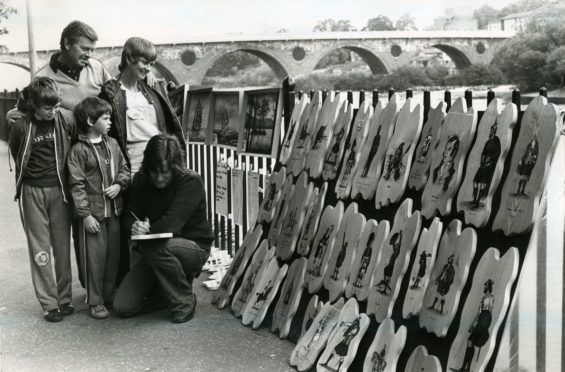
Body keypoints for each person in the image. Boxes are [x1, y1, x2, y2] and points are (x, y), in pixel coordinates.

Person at [7, 21, 113, 289]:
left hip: (99, 155)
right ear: (66, 43)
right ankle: (86, 288)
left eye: (92, 49)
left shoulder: (97, 68)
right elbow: (26, 113)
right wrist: (12, 117)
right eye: (84, 48)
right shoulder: (43, 76)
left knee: (102, 221)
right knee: (80, 222)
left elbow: (115, 97)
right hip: (67, 162)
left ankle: (99, 287)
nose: (89, 54)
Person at [113, 134, 213, 323]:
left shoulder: (191, 182)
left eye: (165, 172)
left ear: (175, 167)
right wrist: (134, 226)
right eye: (154, 172)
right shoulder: (141, 179)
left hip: (194, 247)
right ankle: (168, 295)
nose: (159, 178)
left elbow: (171, 224)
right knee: (123, 306)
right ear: (147, 168)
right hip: (157, 248)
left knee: (156, 246)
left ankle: (184, 301)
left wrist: (144, 233)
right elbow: (128, 216)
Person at [8, 76, 76, 322]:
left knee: (61, 247)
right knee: (40, 249)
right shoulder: (20, 127)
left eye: (56, 106)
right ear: (34, 105)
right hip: (32, 192)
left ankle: (65, 297)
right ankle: (49, 303)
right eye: (48, 107)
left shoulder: (65, 120)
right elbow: (17, 153)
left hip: (60, 191)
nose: (53, 111)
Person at [67, 97, 130, 319]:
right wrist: (84, 215)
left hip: (113, 211)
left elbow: (124, 168)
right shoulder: (78, 150)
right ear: (90, 120)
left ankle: (108, 295)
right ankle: (94, 301)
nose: (110, 122)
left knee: (112, 257)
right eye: (105, 118)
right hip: (93, 215)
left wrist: (119, 185)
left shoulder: (112, 143)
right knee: (93, 260)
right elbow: (76, 185)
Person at [99, 37, 185, 177]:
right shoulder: (110, 93)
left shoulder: (154, 88)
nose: (148, 68)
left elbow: (171, 123)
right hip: (133, 164)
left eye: (151, 64)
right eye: (145, 63)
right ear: (128, 58)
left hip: (162, 159)